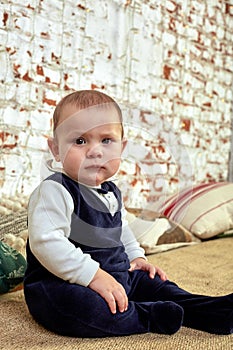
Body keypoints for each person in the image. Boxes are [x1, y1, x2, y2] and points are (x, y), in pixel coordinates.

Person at [24, 90, 233, 337]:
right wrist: (92, 275)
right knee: (79, 307)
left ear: (121, 148)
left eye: (106, 141)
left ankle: (209, 311)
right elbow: (46, 242)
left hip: (117, 275)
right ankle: (147, 316)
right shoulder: (55, 189)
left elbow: (122, 231)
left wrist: (137, 258)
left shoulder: (111, 192)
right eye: (79, 141)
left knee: (157, 285)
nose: (94, 151)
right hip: (62, 282)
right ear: (56, 149)